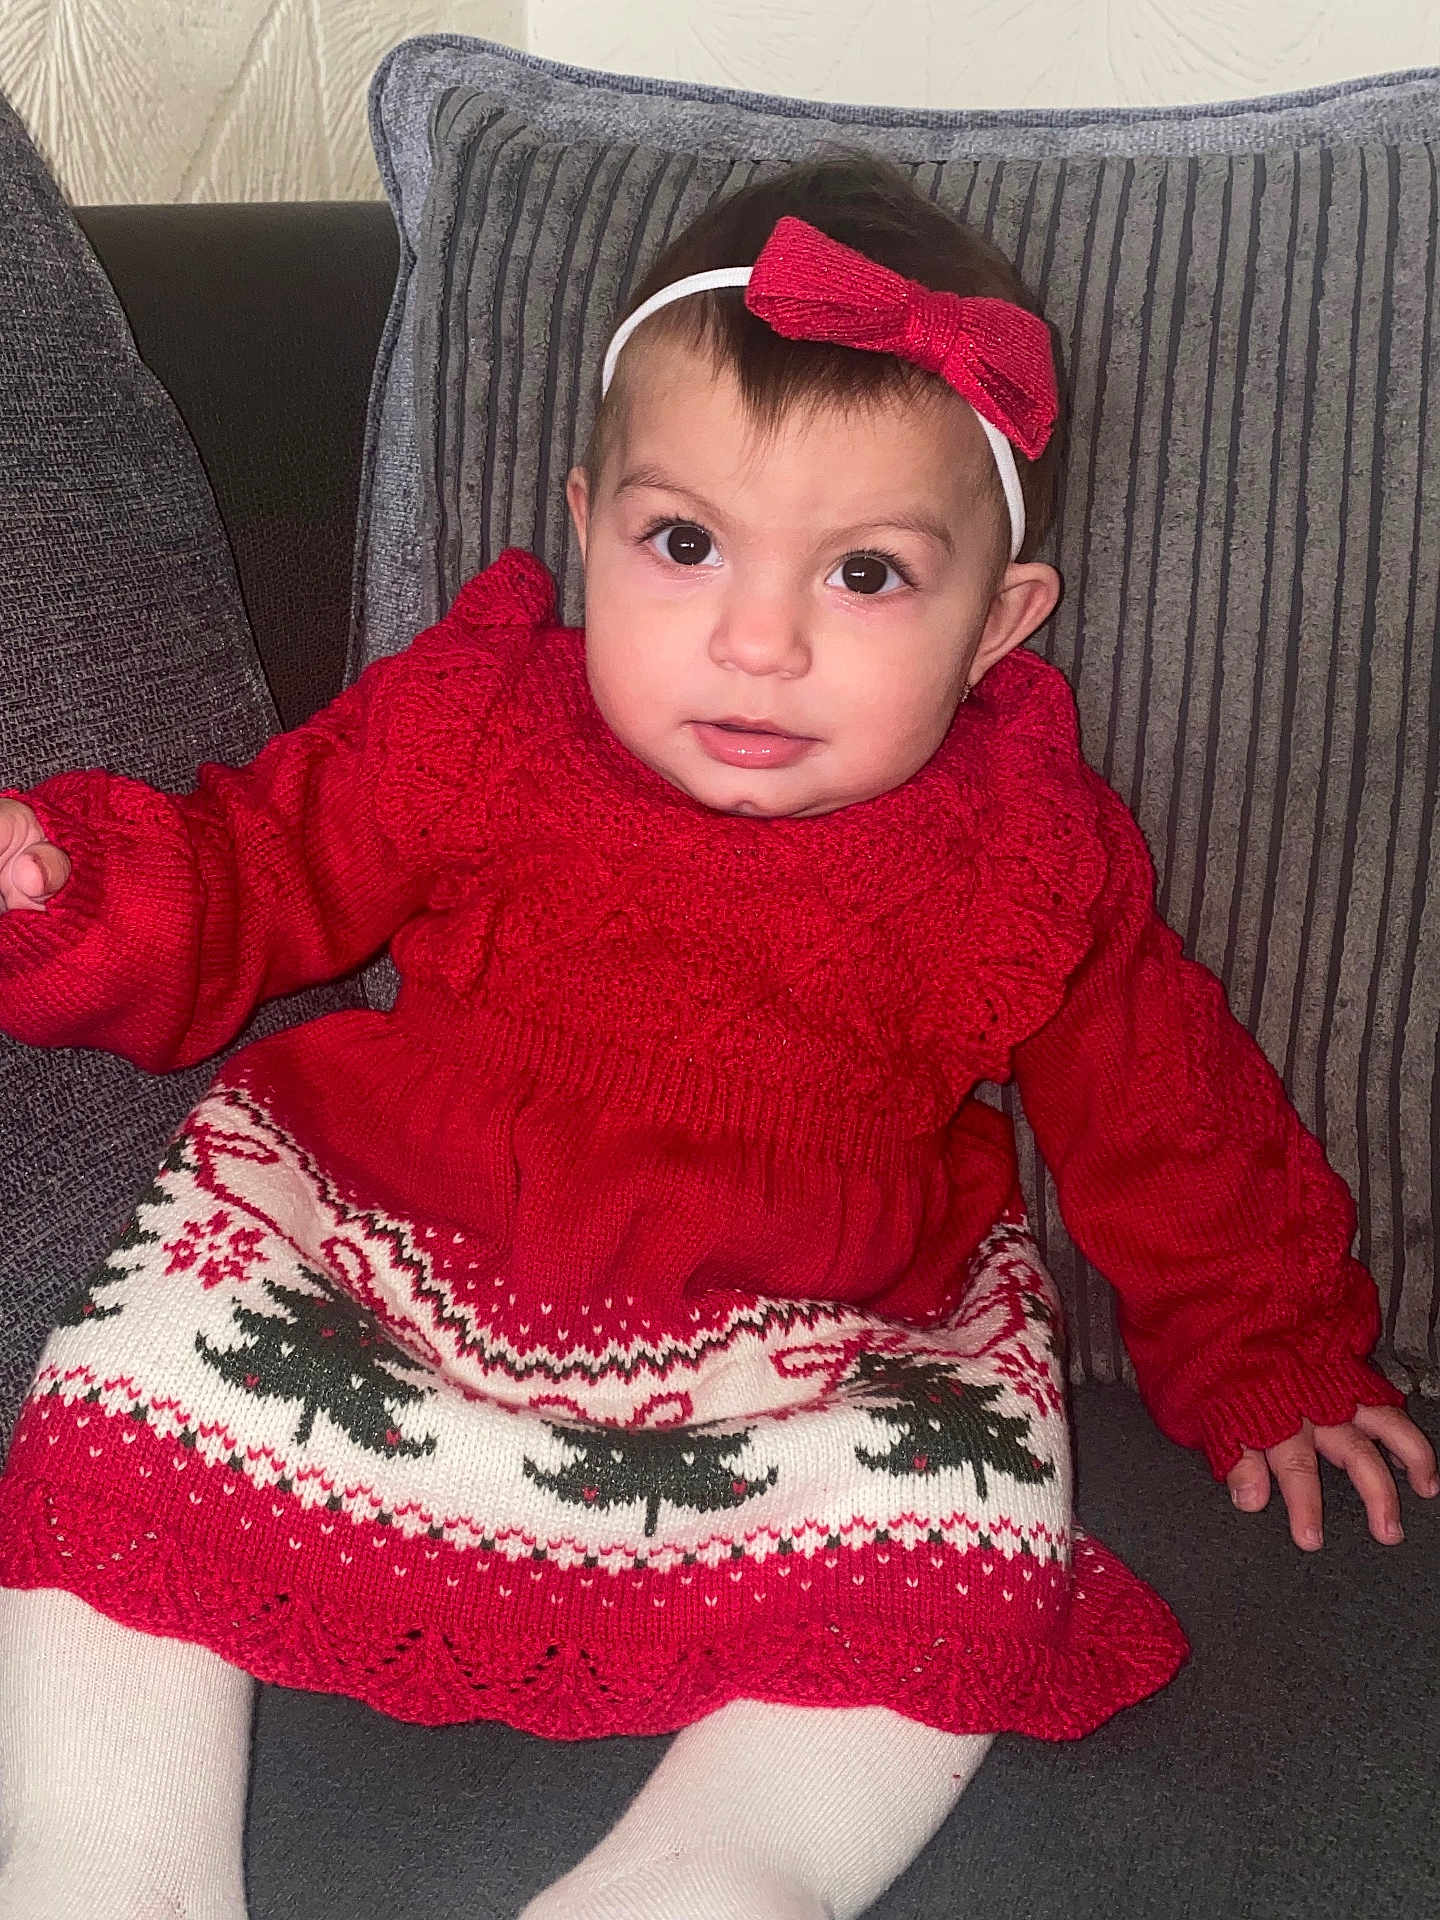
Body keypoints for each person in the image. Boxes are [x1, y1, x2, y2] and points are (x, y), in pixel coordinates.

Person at [0, 153, 1433, 1920]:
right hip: (384, 1249)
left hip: (813, 1343)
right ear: (594, 521)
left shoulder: (1027, 847)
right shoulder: (477, 722)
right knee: (123, 1392)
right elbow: (256, 869)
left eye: (867, 577)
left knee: (971, 1545)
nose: (755, 642)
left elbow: (1170, 1118)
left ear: (1001, 627)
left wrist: (1271, 1343)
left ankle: (720, 1878)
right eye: (685, 546)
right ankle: (100, 1863)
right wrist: (66, 884)